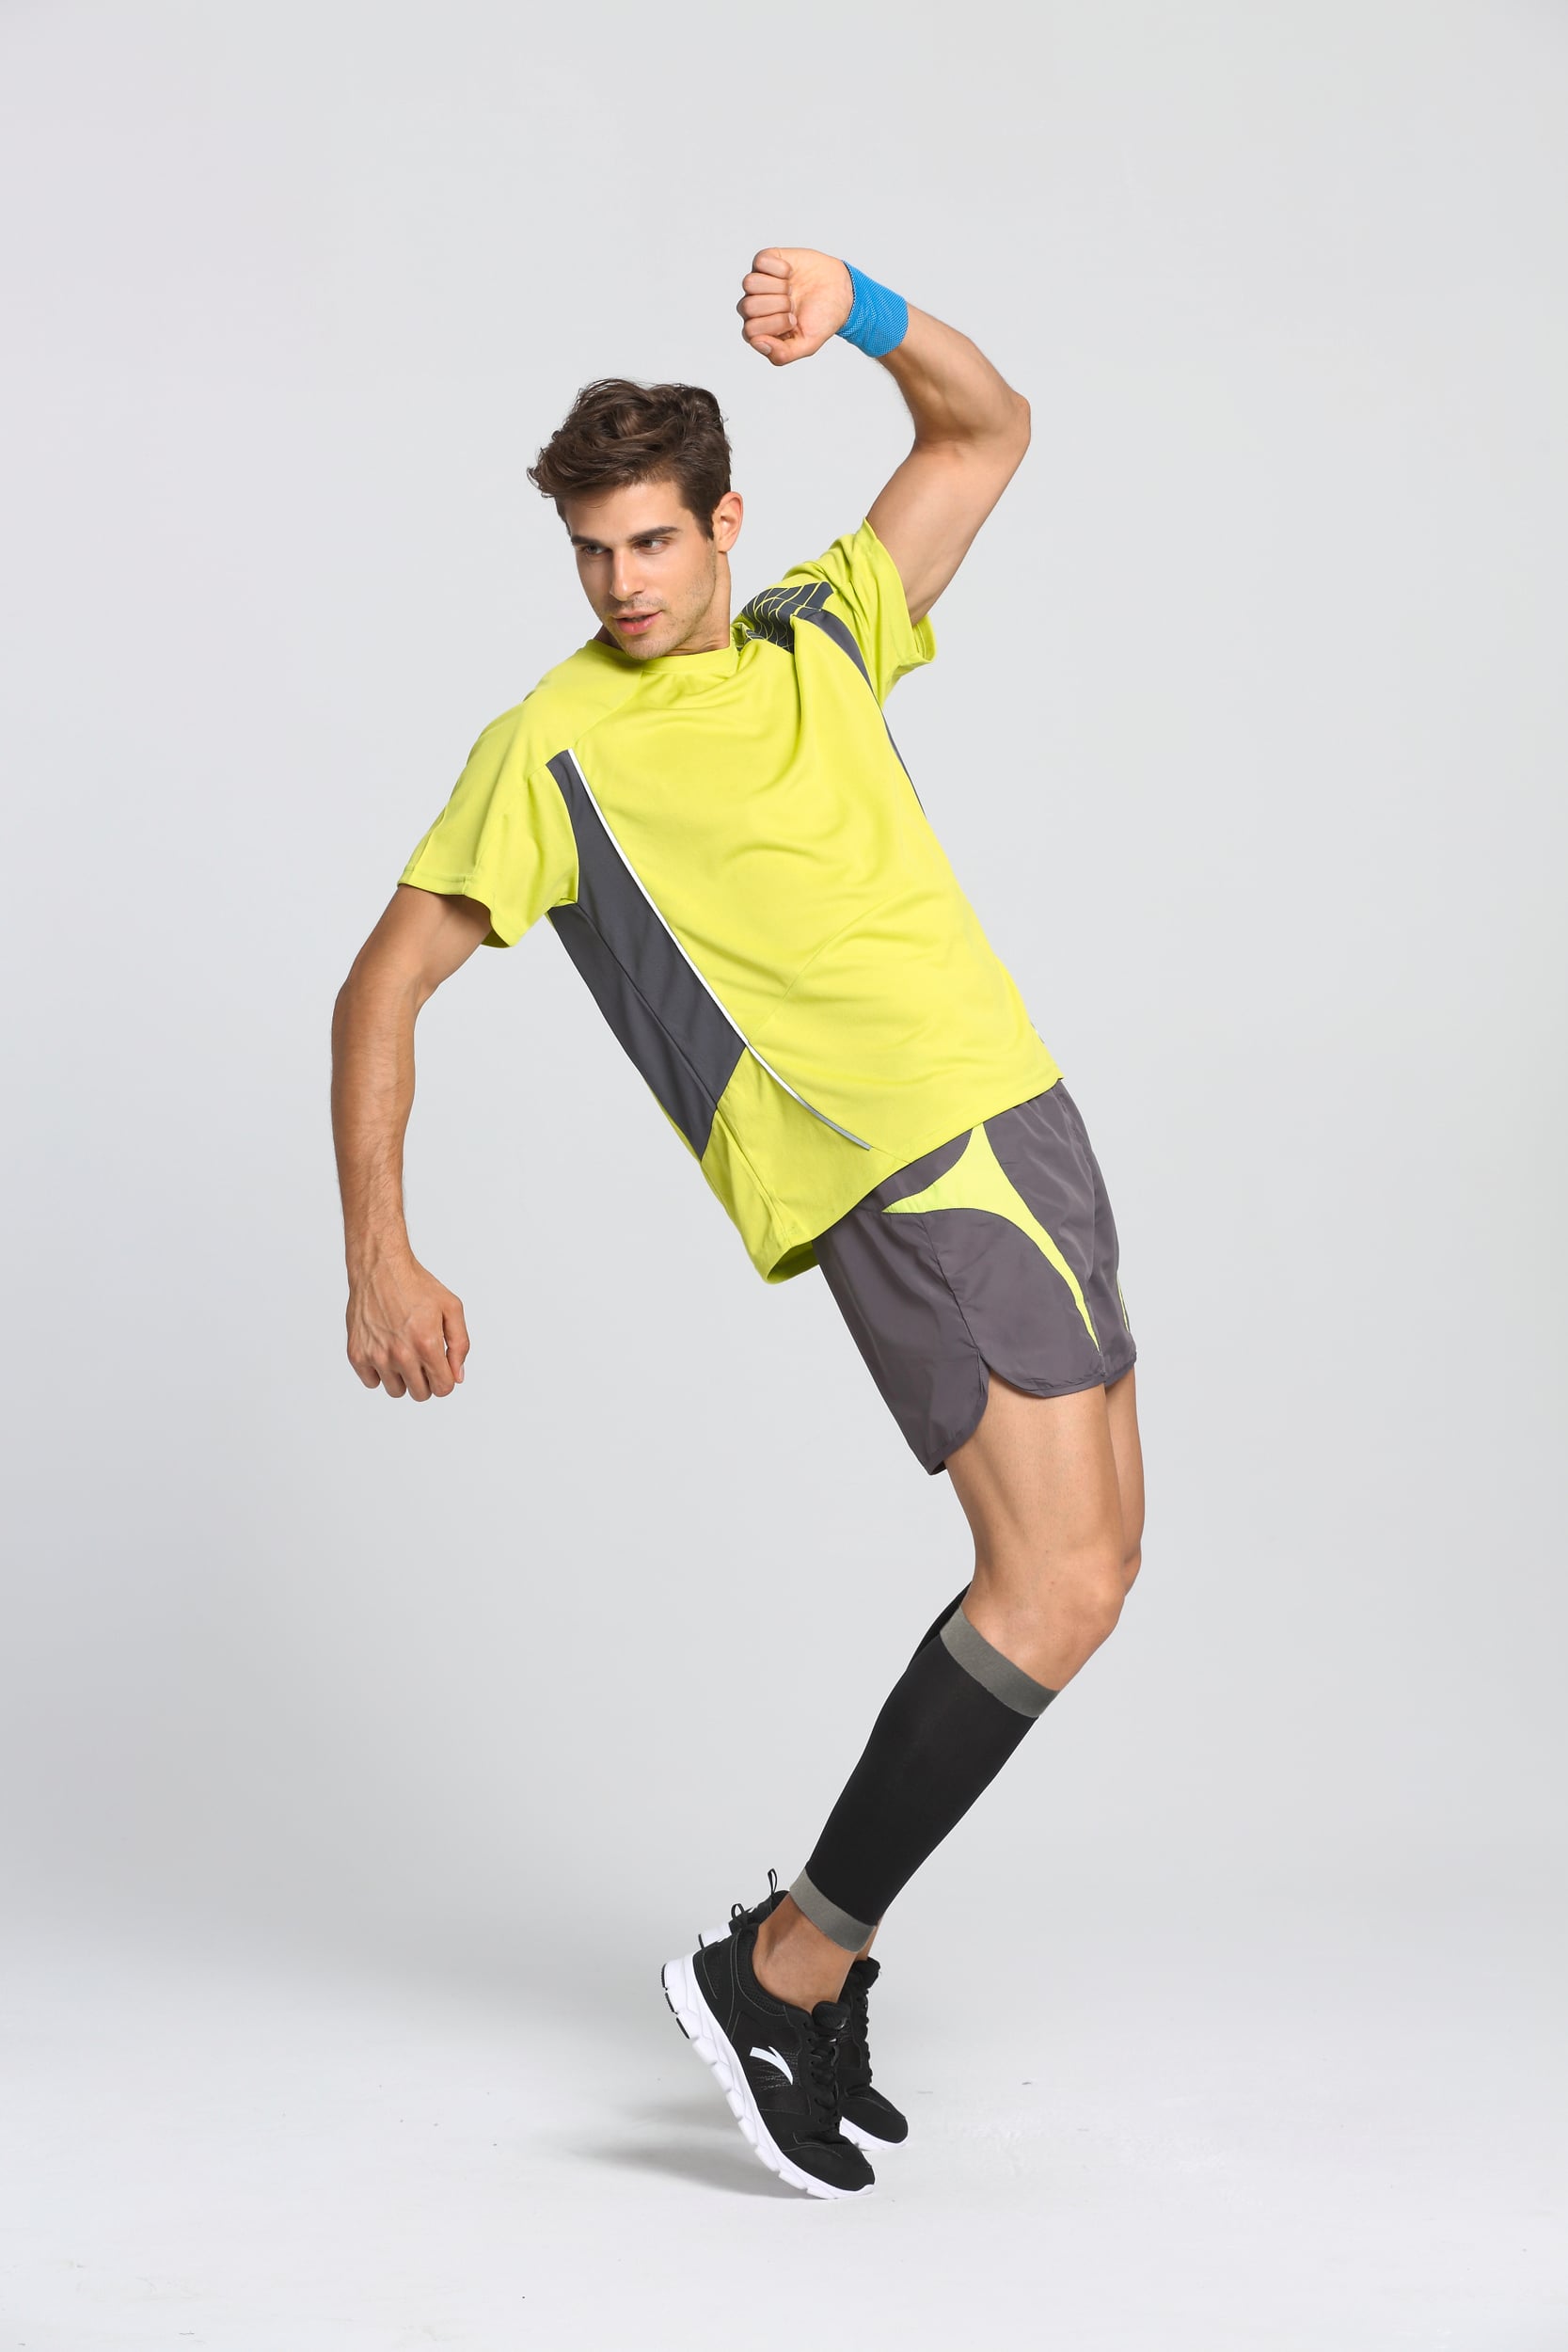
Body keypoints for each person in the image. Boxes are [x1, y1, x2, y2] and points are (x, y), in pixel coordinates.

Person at [330, 247, 1145, 2201]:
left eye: (649, 543)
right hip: (897, 1172)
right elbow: (380, 987)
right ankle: (779, 1965)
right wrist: (380, 1248)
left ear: (723, 524)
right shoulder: (552, 748)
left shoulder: (819, 634)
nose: (620, 586)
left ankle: (813, 1957)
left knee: (1100, 1561)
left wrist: (855, 303)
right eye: (591, 553)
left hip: (1017, 1115)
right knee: (1051, 1583)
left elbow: (988, 428)